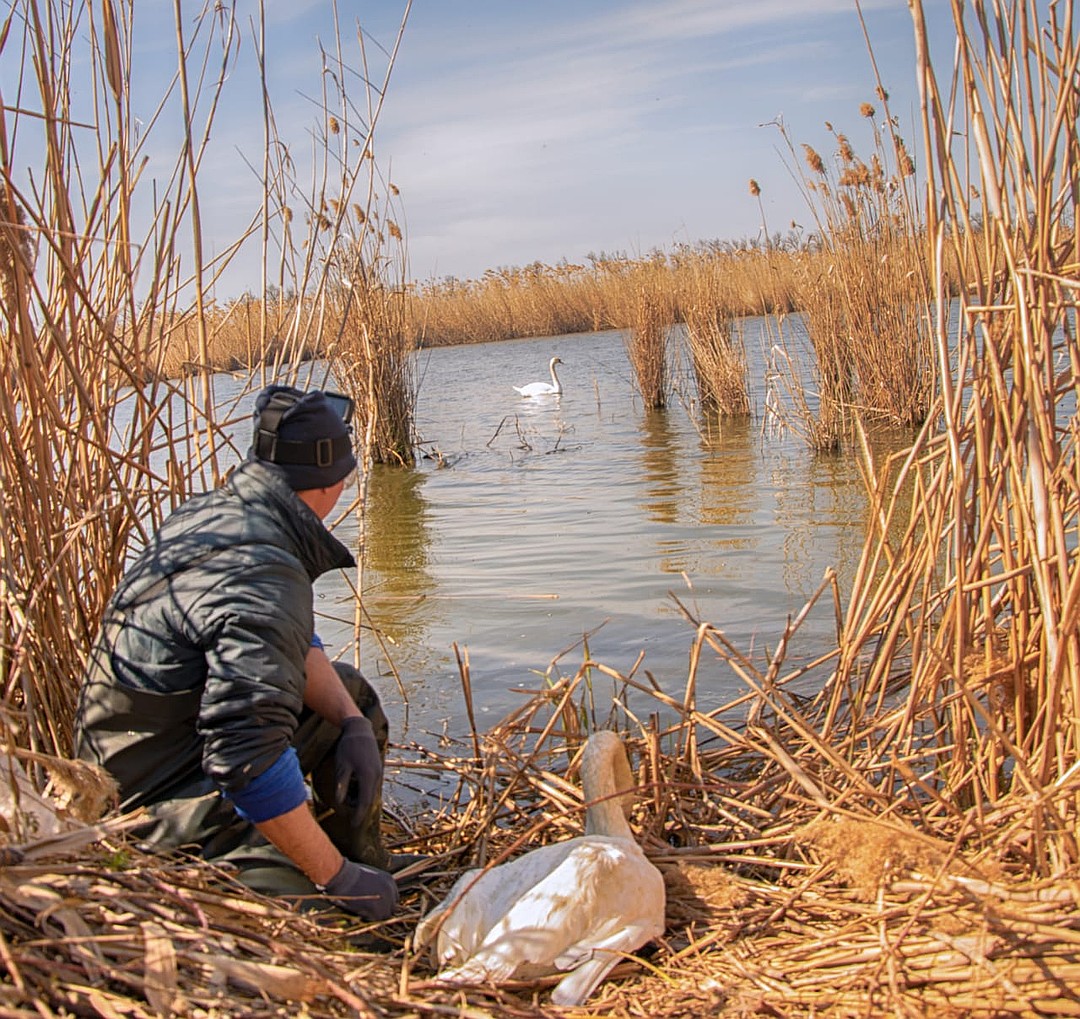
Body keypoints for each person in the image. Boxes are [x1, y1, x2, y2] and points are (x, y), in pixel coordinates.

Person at [75, 385, 403, 921]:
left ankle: (359, 857)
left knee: (352, 696)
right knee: (327, 927)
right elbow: (245, 757)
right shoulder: (264, 570)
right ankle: (335, 883)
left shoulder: (220, 512)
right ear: (335, 483)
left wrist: (351, 723)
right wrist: (336, 881)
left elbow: (288, 646)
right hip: (149, 800)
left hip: (174, 745)